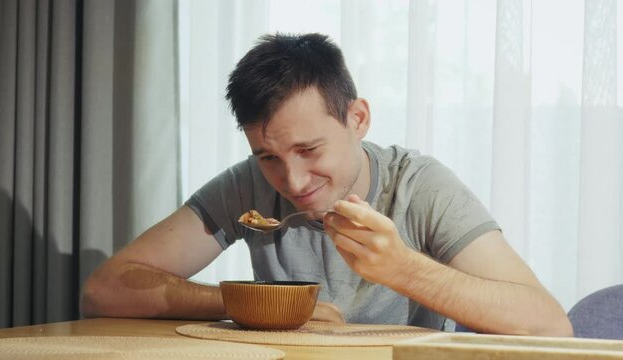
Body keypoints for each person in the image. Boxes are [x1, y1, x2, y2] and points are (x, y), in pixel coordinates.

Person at [81, 33, 573, 336]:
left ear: (357, 118)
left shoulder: (420, 187)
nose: (291, 181)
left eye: (309, 151)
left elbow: (549, 324)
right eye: (269, 156)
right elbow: (106, 290)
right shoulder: (247, 187)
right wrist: (265, 305)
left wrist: (404, 269)